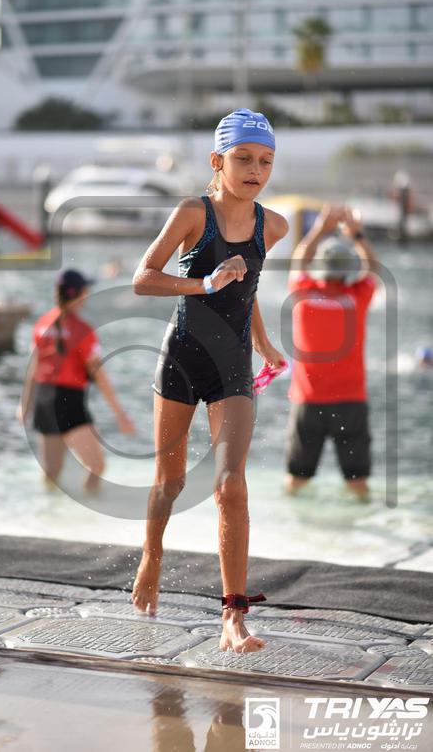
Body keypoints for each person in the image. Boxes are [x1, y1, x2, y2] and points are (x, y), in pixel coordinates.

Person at [130, 108, 288, 653]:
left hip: (233, 368)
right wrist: (204, 283)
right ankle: (152, 556)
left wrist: (263, 342)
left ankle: (233, 617)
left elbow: (248, 289)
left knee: (230, 486)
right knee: (169, 484)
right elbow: (143, 279)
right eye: (243, 158)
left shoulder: (273, 226)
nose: (255, 170)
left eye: (265, 161)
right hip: (180, 359)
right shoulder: (192, 213)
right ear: (217, 161)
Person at [285, 204, 378, 502]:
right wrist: (357, 235)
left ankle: (289, 527)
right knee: (358, 484)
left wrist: (320, 228)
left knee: (296, 481)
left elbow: (299, 261)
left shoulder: (302, 292)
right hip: (351, 401)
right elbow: (373, 269)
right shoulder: (356, 297)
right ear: (347, 270)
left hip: (308, 401)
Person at [19, 269, 135, 492]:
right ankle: (89, 505)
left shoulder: (42, 324)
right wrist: (119, 414)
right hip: (68, 400)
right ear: (79, 294)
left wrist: (24, 405)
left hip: (43, 398)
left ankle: (47, 508)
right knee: (97, 466)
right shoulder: (83, 330)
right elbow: (99, 374)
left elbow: (34, 367)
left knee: (52, 471)